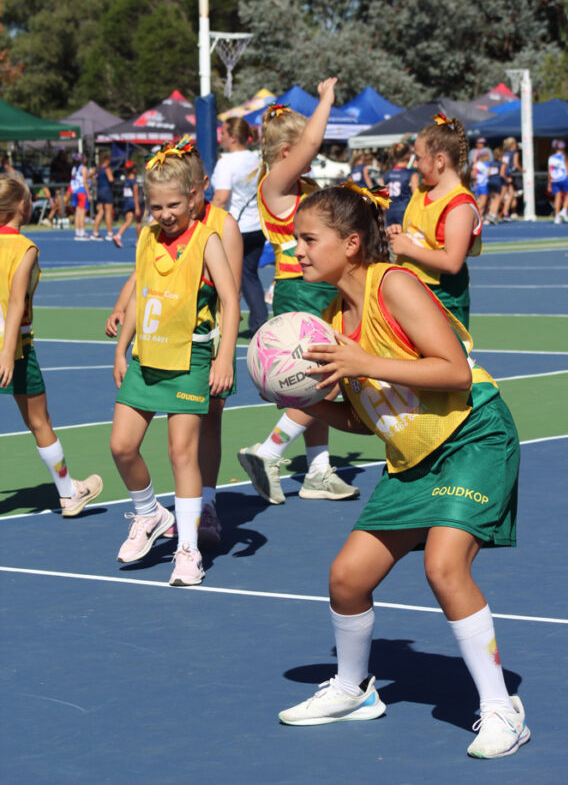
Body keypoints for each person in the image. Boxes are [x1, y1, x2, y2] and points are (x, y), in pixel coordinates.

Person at [278, 185, 529, 760]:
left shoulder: (393, 285)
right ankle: (353, 690)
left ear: (351, 242)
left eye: (308, 239)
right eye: (295, 240)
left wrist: (365, 360)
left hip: (472, 436)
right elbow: (366, 418)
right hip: (411, 457)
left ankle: (502, 710)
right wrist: (303, 400)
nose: (297, 250)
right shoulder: (329, 319)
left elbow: (454, 371)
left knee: (444, 565)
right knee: (347, 578)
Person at [110, 143, 240, 585]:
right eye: (157, 206)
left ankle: (188, 551)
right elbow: (140, 293)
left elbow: (230, 300)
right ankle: (149, 513)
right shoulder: (147, 238)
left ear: (192, 197)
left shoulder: (207, 239)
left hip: (190, 359)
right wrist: (121, 347)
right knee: (121, 446)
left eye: (174, 205)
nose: (165, 214)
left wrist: (225, 357)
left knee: (181, 453)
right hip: (147, 357)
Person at [238, 81, 359, 505]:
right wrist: (326, 101)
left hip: (320, 289)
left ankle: (318, 471)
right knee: (323, 381)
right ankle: (269, 451)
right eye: (304, 149)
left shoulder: (301, 187)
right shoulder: (275, 185)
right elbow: (310, 145)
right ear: (287, 151)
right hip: (300, 290)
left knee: (320, 382)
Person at [0, 171, 103, 516]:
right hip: (16, 347)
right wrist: (7, 352)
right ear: (20, 205)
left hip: (11, 346)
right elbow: (16, 302)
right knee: (40, 421)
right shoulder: (24, 248)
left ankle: (68, 490)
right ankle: (68, 493)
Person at [385, 114, 482, 329]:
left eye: (419, 158)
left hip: (444, 300)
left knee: (445, 352)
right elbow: (421, 235)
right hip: (412, 291)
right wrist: (400, 235)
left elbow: (452, 262)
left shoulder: (459, 205)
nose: (415, 164)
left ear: (439, 160)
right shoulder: (422, 190)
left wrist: (408, 248)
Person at [211, 117, 268, 337]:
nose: (221, 138)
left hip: (235, 228)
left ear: (233, 137)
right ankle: (259, 322)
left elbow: (221, 197)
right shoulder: (256, 160)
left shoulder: (227, 162)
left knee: (224, 278)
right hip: (256, 226)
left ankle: (224, 322)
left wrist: (207, 222)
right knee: (248, 276)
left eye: (223, 134)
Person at [382, 142, 418, 227]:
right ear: (407, 155)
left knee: (391, 234)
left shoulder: (387, 174)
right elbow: (416, 196)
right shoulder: (411, 173)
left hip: (390, 211)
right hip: (404, 211)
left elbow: (379, 194)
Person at [113, 161, 144, 248]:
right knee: (138, 222)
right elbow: (136, 195)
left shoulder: (126, 181)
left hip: (127, 203)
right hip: (133, 203)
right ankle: (139, 241)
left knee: (128, 221)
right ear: (133, 169)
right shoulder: (134, 182)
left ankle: (118, 235)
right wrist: (137, 207)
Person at [91, 152, 115, 241]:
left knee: (100, 212)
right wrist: (113, 183)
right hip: (106, 191)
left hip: (99, 191)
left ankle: (95, 232)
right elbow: (111, 179)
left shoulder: (97, 169)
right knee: (108, 212)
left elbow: (88, 176)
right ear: (107, 160)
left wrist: (94, 180)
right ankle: (109, 233)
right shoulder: (107, 169)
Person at [547, 139, 568, 224]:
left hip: (554, 179)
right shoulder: (564, 156)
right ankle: (564, 210)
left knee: (557, 197)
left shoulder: (551, 158)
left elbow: (549, 171)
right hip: (563, 178)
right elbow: (567, 170)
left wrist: (549, 183)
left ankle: (557, 216)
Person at [70, 153, 92, 241]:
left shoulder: (74, 168)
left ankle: (78, 232)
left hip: (75, 191)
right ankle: (82, 232)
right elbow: (85, 181)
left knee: (78, 212)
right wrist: (89, 194)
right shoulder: (83, 168)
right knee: (82, 212)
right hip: (82, 191)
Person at [499, 137, 521, 221]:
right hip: (508, 175)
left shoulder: (505, 153)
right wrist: (523, 170)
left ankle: (504, 212)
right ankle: (501, 212)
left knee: (509, 194)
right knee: (506, 195)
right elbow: (516, 164)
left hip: (504, 174)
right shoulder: (514, 153)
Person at [483, 147, 504, 225]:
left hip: (490, 181)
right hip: (497, 181)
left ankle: (490, 214)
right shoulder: (501, 164)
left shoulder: (491, 163)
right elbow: (502, 174)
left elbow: (488, 173)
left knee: (492, 199)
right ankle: (493, 214)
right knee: (497, 199)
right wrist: (507, 178)